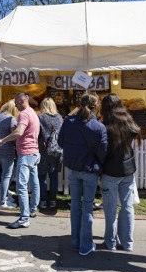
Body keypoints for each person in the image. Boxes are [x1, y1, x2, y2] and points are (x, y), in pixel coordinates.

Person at [58, 92, 107, 256]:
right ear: (96, 106)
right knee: (87, 207)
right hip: (89, 169)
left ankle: (76, 240)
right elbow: (103, 152)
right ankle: (85, 245)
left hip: (73, 168)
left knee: (75, 205)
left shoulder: (69, 122)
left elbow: (60, 142)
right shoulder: (99, 127)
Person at [0, 93, 40, 229]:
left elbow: (19, 132)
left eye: (16, 103)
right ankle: (32, 210)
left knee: (21, 186)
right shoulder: (32, 112)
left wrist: (2, 140)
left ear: (21, 101)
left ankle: (24, 218)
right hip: (34, 152)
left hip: (25, 153)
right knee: (34, 183)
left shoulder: (24, 114)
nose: (15, 106)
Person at [100, 93, 139, 252]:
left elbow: (104, 150)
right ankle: (128, 242)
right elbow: (135, 131)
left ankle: (111, 242)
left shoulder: (106, 126)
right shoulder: (128, 122)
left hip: (110, 171)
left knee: (110, 209)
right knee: (127, 206)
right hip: (127, 170)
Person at [0, 99, 19, 209]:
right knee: (6, 176)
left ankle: (5, 195)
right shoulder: (11, 119)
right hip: (7, 150)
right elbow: (14, 136)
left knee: (4, 176)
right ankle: (3, 201)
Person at [38, 97, 64, 209]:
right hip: (56, 150)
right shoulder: (60, 118)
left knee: (42, 176)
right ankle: (53, 200)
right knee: (54, 177)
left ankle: (43, 201)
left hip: (43, 150)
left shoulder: (41, 118)